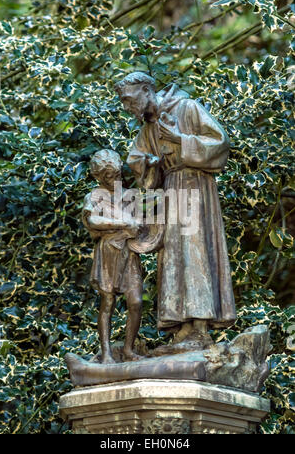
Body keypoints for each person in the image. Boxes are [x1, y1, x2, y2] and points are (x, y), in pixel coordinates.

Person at [115, 72, 236, 348]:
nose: (126, 107)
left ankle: (201, 327)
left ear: (147, 90)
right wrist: (149, 163)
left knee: (196, 254)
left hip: (195, 188)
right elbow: (138, 164)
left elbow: (220, 144)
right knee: (172, 257)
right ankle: (182, 327)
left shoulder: (187, 107)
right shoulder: (147, 129)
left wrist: (180, 138)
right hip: (171, 192)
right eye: (123, 102)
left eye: (129, 100)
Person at [82, 149, 143, 363]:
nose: (113, 179)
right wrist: (123, 223)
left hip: (130, 252)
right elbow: (93, 221)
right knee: (107, 301)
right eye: (108, 176)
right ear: (98, 176)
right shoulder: (94, 196)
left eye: (116, 174)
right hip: (108, 252)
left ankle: (128, 349)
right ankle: (107, 353)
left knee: (135, 302)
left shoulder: (128, 195)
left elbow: (140, 225)